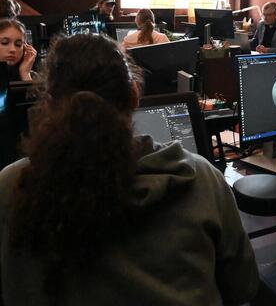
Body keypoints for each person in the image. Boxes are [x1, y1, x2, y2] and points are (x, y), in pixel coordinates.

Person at [0, 33, 259, 306]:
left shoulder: (10, 186)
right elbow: (243, 287)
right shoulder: (202, 178)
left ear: (48, 103)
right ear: (134, 95)